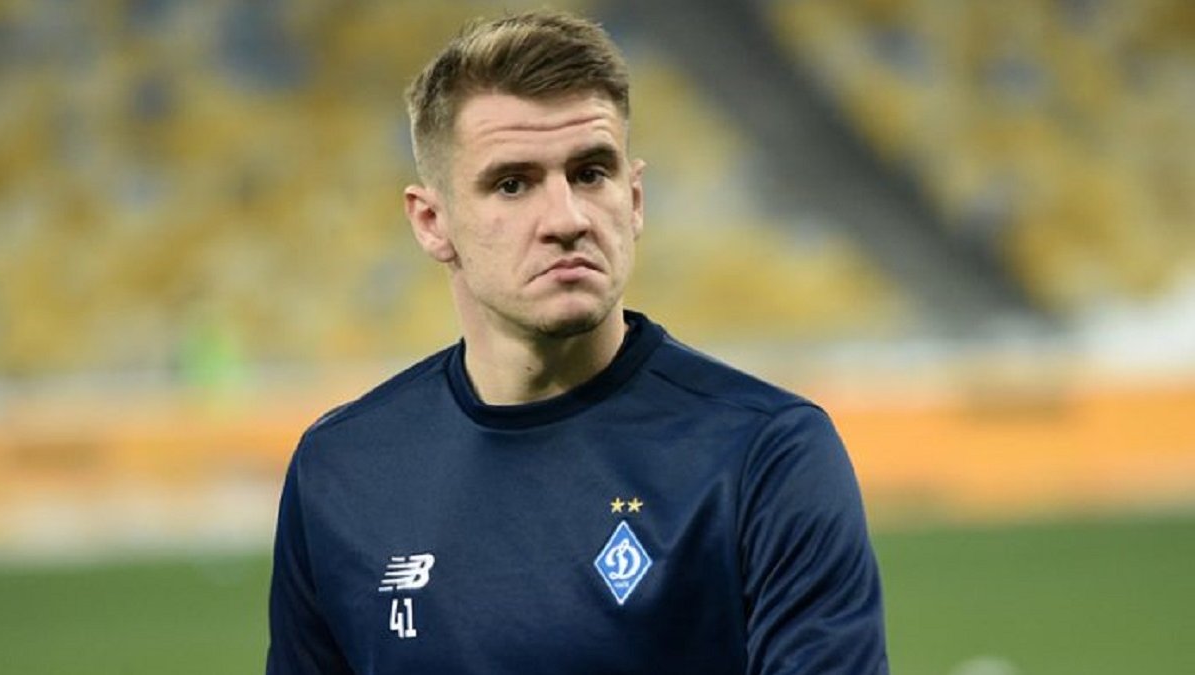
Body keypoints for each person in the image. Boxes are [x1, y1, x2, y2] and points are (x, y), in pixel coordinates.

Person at [267, 9, 887, 674]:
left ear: (635, 198)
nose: (566, 219)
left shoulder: (765, 455)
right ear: (431, 222)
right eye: (512, 184)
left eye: (591, 173)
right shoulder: (341, 470)